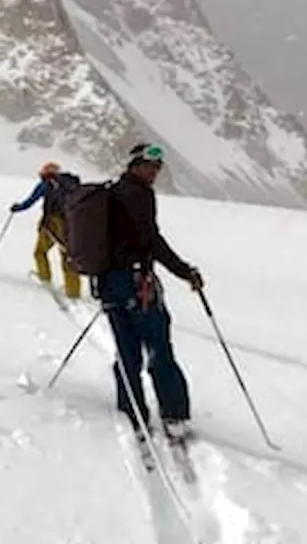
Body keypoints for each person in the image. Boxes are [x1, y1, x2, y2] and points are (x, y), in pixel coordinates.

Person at [97, 142, 203, 441]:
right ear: (135, 165)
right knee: (159, 346)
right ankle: (174, 415)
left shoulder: (113, 192)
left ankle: (131, 411)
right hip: (136, 284)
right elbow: (151, 240)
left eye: (158, 167)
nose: (155, 172)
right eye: (150, 166)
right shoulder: (138, 194)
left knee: (127, 349)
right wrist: (184, 271)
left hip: (109, 285)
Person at [9, 161, 83, 299]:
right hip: (69, 224)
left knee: (40, 252)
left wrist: (17, 208)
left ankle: (45, 279)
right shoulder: (71, 185)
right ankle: (73, 290)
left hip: (51, 222)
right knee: (67, 256)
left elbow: (30, 201)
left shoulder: (46, 184)